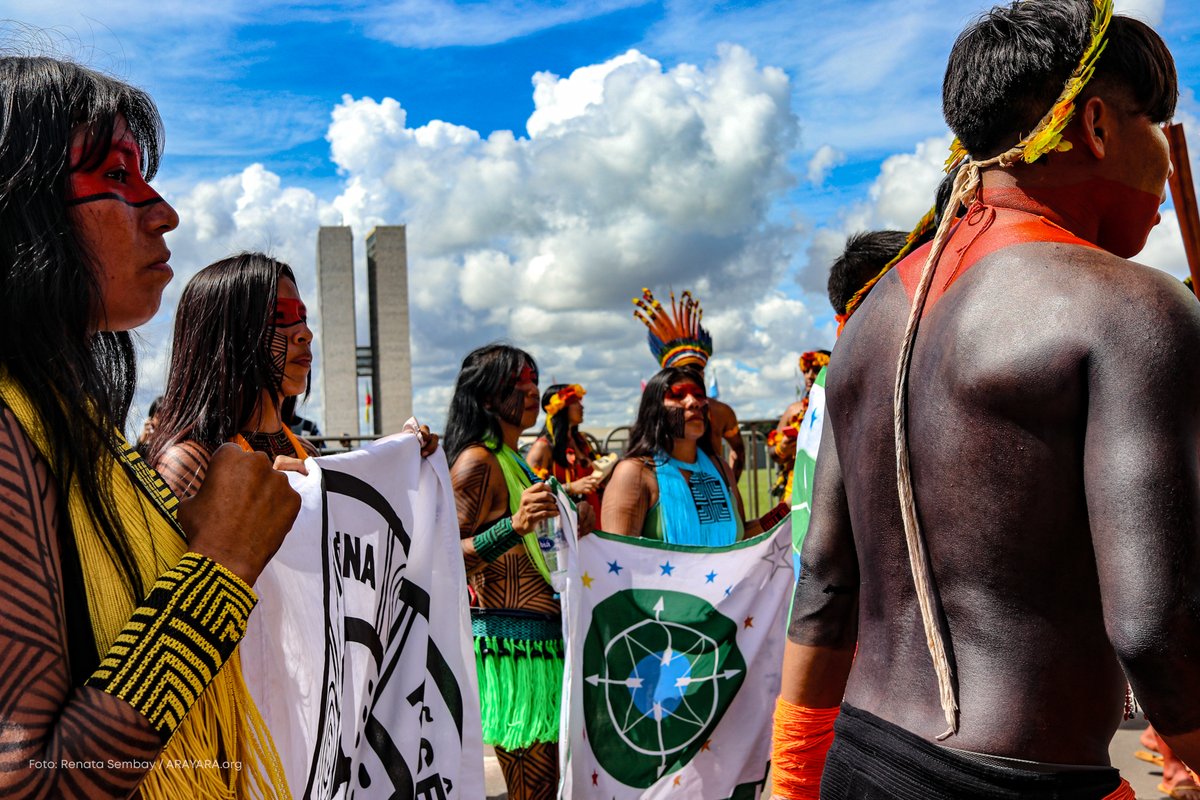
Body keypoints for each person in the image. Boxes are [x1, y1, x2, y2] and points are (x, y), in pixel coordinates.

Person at [778, 2, 1194, 799]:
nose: (1168, 160)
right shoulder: (1132, 309)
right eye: (1157, 123)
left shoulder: (871, 318)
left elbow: (825, 587)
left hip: (861, 761)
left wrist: (794, 782)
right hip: (1021, 781)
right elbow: (1156, 628)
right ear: (1099, 125)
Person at [0, 57, 299, 798]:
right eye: (119, 179)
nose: (163, 212)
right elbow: (30, 784)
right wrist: (221, 565)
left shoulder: (79, 428)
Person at [445, 344, 563, 800]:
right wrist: (514, 527)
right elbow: (446, 559)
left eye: (533, 380)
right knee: (533, 792)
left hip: (539, 646)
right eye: (519, 383)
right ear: (489, 399)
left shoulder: (513, 459)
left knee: (546, 787)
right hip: (514, 654)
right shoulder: (478, 460)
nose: (532, 391)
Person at [146, 253, 322, 491]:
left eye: (302, 317)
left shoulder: (307, 453)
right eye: (279, 317)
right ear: (224, 337)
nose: (305, 333)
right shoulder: (191, 465)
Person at [603, 366, 788, 542]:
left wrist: (787, 509)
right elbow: (618, 559)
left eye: (699, 395)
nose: (694, 403)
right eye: (678, 395)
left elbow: (740, 541)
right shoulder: (634, 473)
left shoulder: (720, 468)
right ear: (654, 409)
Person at [632, 288, 746, 480]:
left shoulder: (721, 411)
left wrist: (729, 485)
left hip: (714, 491)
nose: (692, 402)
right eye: (678, 393)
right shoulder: (656, 414)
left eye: (696, 371)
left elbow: (739, 452)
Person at [527, 383, 606, 526]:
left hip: (591, 520)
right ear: (562, 407)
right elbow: (528, 493)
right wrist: (571, 487)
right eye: (576, 402)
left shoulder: (582, 441)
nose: (582, 407)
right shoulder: (543, 447)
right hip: (563, 528)